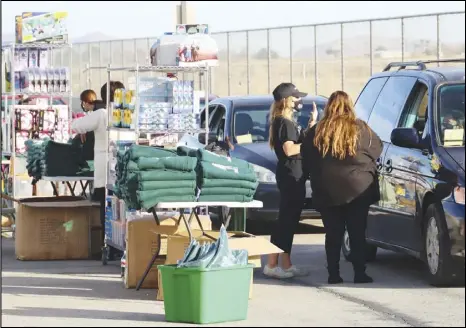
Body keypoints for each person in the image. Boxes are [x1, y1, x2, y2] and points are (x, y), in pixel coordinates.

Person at [301, 90, 382, 284]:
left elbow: (307, 158)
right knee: (357, 232)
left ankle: (333, 274)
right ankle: (360, 273)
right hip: (358, 188)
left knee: (333, 234)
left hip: (327, 189)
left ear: (328, 106)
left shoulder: (317, 131)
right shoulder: (362, 129)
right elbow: (377, 150)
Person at [264, 82, 318, 279]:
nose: (298, 101)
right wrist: (308, 145)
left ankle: (286, 264)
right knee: (285, 221)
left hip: (294, 174)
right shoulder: (283, 123)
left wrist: (310, 127)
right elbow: (290, 149)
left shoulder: (286, 121)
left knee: (290, 220)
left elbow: (297, 142)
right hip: (290, 175)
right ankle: (272, 264)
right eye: (295, 97)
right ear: (286, 100)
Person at [72, 81, 125, 248]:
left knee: (106, 205)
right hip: (124, 164)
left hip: (105, 165)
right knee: (123, 206)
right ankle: (122, 242)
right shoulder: (125, 112)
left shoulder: (101, 113)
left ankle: (107, 242)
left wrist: (84, 131)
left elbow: (76, 125)